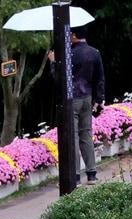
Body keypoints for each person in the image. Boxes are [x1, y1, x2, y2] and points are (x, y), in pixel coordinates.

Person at [48, 26, 105, 186]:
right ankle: (92, 174)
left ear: (73, 35)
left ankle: (75, 177)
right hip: (88, 97)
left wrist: (53, 63)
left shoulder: (68, 55)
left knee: (72, 136)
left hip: (71, 99)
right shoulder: (95, 53)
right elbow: (100, 78)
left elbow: (59, 78)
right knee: (86, 134)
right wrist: (99, 99)